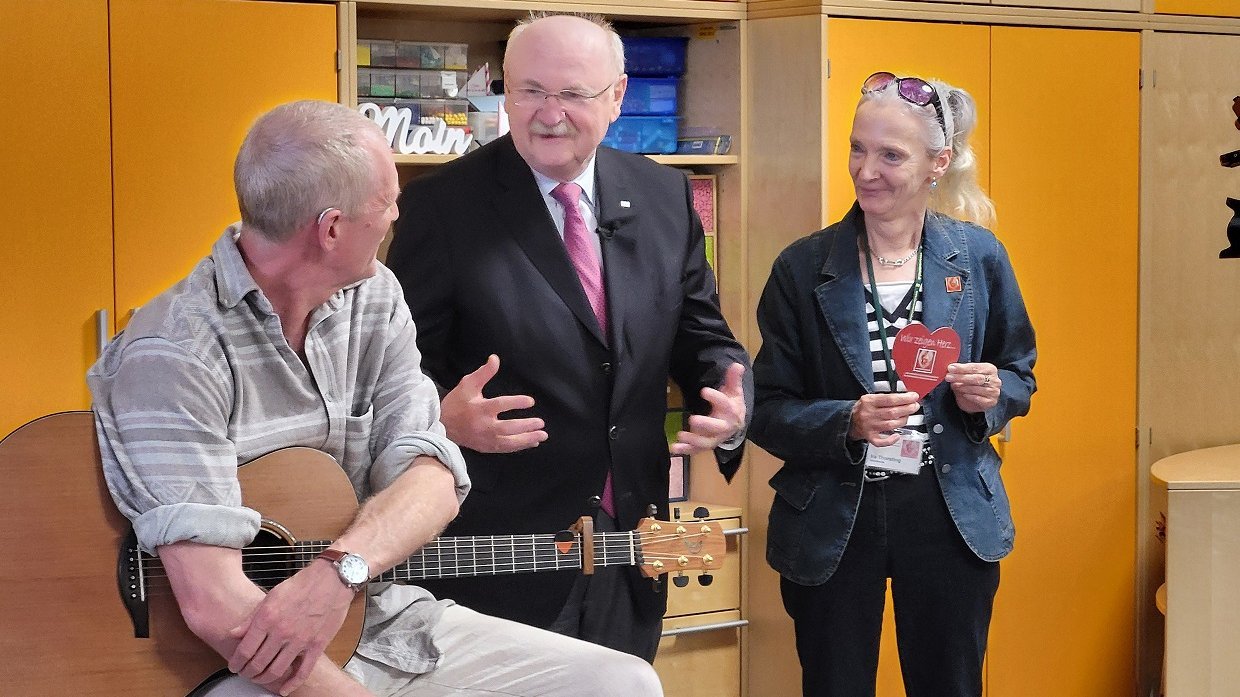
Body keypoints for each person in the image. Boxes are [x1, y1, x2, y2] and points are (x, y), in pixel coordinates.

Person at [87, 99, 663, 697]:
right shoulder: (172, 352)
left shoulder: (375, 295)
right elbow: (214, 606)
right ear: (330, 229)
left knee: (620, 681)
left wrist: (339, 573)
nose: (395, 215)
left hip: (383, 618)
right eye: (385, 202)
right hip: (229, 661)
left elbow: (432, 473)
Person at [385, 12, 752, 662]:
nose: (547, 114)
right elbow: (389, 371)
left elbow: (703, 337)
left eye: (573, 94)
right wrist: (437, 416)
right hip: (499, 552)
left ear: (616, 97)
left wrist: (730, 397)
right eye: (529, 91)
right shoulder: (441, 207)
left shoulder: (665, 197)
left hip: (628, 543)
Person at [749, 72, 1037, 697]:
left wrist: (993, 395)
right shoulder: (803, 267)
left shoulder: (980, 257)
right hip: (833, 512)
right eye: (858, 148)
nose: (865, 170)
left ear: (938, 163)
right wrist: (845, 421)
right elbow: (765, 410)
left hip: (948, 509)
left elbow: (1020, 373)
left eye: (890, 155)